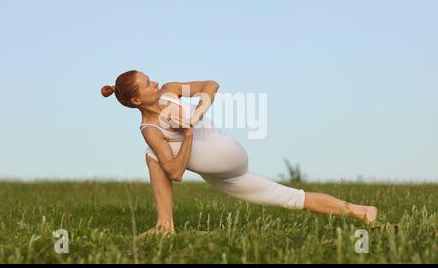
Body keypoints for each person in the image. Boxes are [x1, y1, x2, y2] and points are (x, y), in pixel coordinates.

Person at [101, 70, 378, 236]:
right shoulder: (149, 127)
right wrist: (186, 134)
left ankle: (165, 226)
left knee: (151, 155)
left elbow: (211, 84)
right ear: (136, 100)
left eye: (150, 78)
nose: (155, 82)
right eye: (148, 83)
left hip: (224, 152)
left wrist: (198, 112)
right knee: (292, 197)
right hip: (219, 171)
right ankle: (362, 212)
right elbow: (175, 173)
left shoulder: (171, 91)